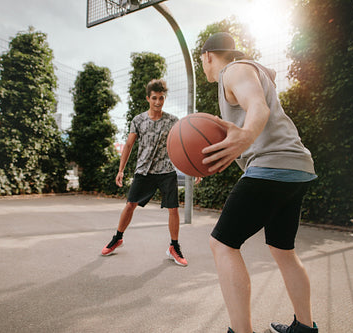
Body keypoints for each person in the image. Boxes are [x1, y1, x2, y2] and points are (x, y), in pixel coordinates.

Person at [199, 32, 319, 333]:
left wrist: (247, 134)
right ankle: (304, 328)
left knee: (222, 244)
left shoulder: (234, 70)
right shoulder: (248, 72)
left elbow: (258, 108)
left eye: (201, 59)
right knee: (283, 249)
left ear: (208, 55)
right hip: (297, 168)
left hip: (272, 167)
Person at [101, 79, 188, 267]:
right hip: (144, 171)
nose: (158, 102)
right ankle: (118, 238)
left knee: (173, 209)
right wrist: (121, 170)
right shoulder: (138, 120)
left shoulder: (172, 121)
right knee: (130, 204)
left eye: (162, 98)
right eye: (154, 98)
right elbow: (129, 145)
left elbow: (184, 144)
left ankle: (174, 246)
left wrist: (193, 168)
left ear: (165, 98)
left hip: (166, 170)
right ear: (148, 98)